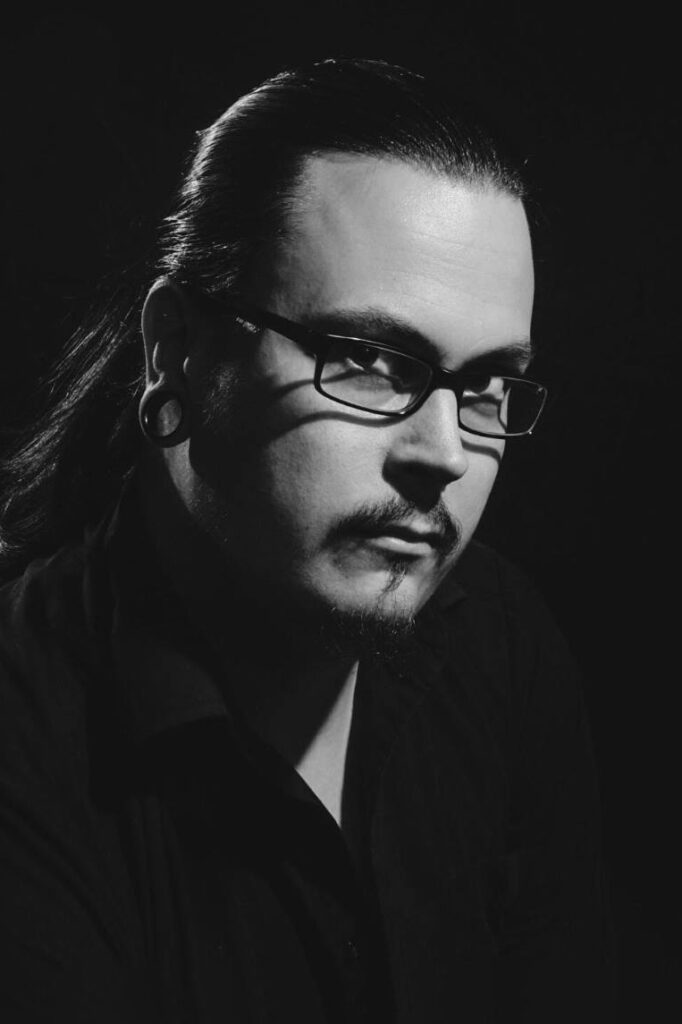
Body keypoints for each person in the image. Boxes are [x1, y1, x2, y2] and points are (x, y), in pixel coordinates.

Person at [0, 58, 614, 1022]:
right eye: (368, 360)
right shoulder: (29, 746)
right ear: (178, 350)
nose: (445, 454)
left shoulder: (504, 643)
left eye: (487, 387)